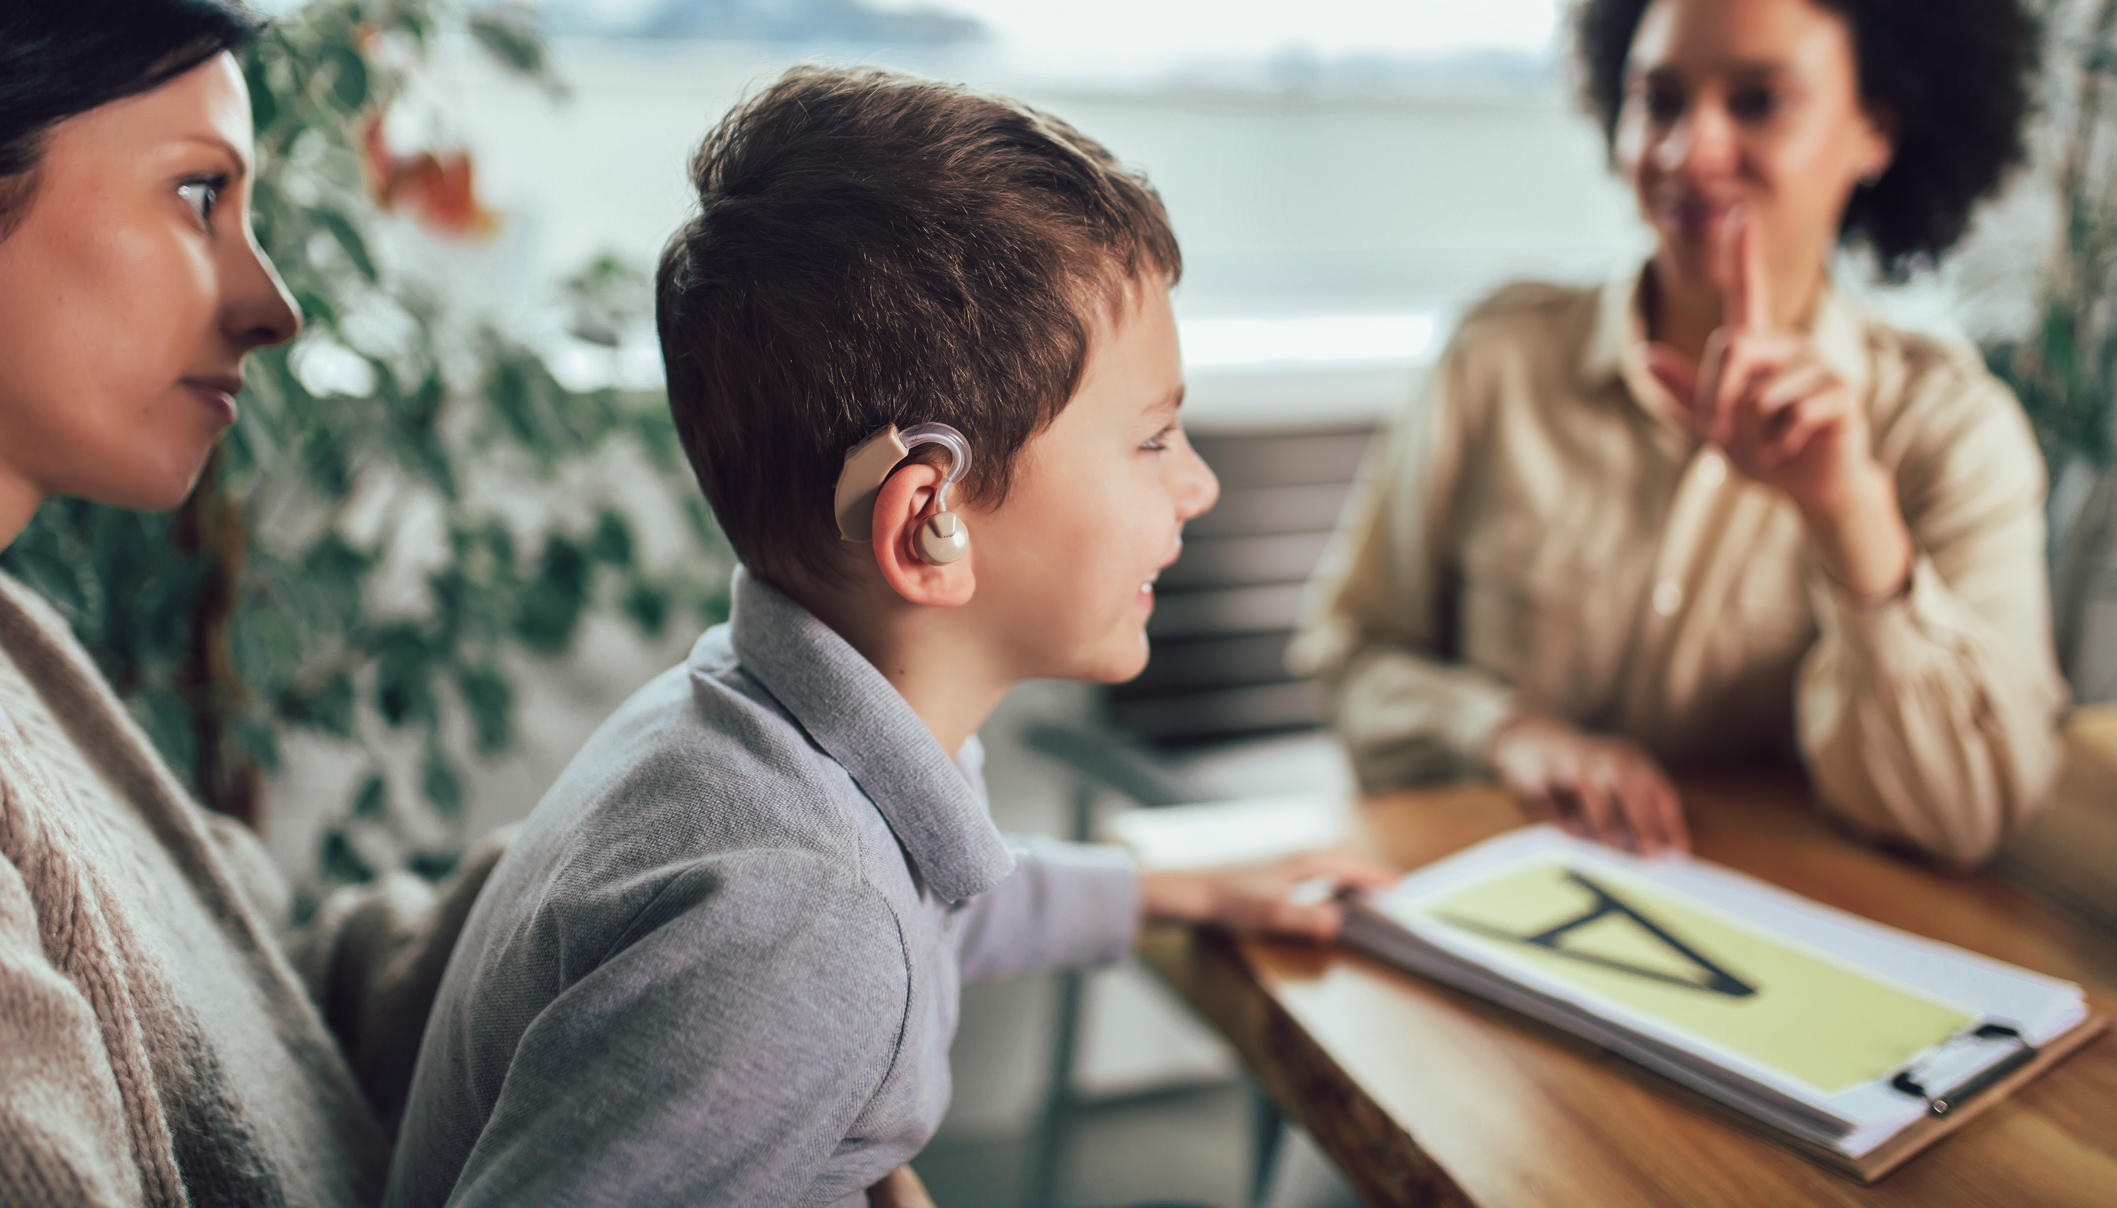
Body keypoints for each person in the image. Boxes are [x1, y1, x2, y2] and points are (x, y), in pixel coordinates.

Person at [386, 65, 1392, 1208]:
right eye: (1154, 439)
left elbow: (948, 901)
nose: (1199, 485)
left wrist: (1180, 888)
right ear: (929, 520)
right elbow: (842, 939)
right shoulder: (795, 923)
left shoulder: (767, 733)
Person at [1290, 0, 2067, 866]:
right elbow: (1352, 660)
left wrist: (1845, 515)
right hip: (1493, 918)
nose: (1685, 151)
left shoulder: (1948, 433)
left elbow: (1967, 817)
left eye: (1756, 101)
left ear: (1874, 129)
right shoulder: (1496, 363)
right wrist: (1506, 733)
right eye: (1658, 101)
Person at [0, 2, 517, 1204]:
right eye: (197, 196)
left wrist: (695, 840)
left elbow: (265, 990)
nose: (274, 305)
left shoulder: (24, 645)